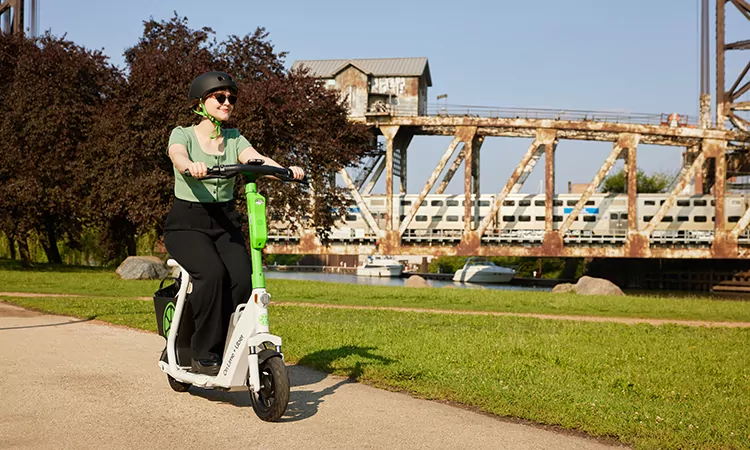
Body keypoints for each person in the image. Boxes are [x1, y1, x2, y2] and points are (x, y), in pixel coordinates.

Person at [163, 71, 304, 375]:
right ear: (201, 102)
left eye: (232, 98)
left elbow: (254, 158)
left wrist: (285, 170)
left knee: (243, 280)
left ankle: (224, 345)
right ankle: (202, 352)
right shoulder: (183, 134)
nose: (227, 103)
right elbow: (177, 155)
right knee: (212, 275)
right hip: (187, 223)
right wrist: (189, 165)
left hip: (225, 221)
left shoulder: (234, 138)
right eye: (220, 97)